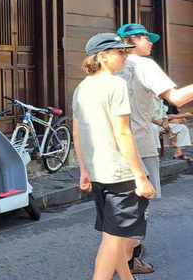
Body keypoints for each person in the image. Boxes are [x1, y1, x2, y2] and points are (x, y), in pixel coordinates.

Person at [72, 32, 156, 280]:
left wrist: (84, 170)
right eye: (120, 52)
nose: (125, 56)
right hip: (120, 174)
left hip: (98, 172)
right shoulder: (115, 84)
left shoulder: (82, 87)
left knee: (114, 235)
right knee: (112, 239)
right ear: (103, 56)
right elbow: (123, 133)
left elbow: (78, 134)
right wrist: (140, 176)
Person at [115, 23, 193, 273]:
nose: (151, 43)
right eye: (146, 38)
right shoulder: (144, 64)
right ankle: (127, 261)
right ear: (132, 41)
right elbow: (177, 98)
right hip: (138, 141)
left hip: (113, 144)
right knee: (138, 205)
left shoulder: (111, 67)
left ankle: (132, 249)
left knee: (122, 203)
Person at [151, 96, 192, 161]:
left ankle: (178, 152)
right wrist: (162, 124)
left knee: (183, 128)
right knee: (154, 128)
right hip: (152, 124)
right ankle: (155, 155)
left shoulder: (161, 100)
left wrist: (167, 127)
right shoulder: (150, 99)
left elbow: (165, 116)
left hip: (162, 125)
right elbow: (148, 117)